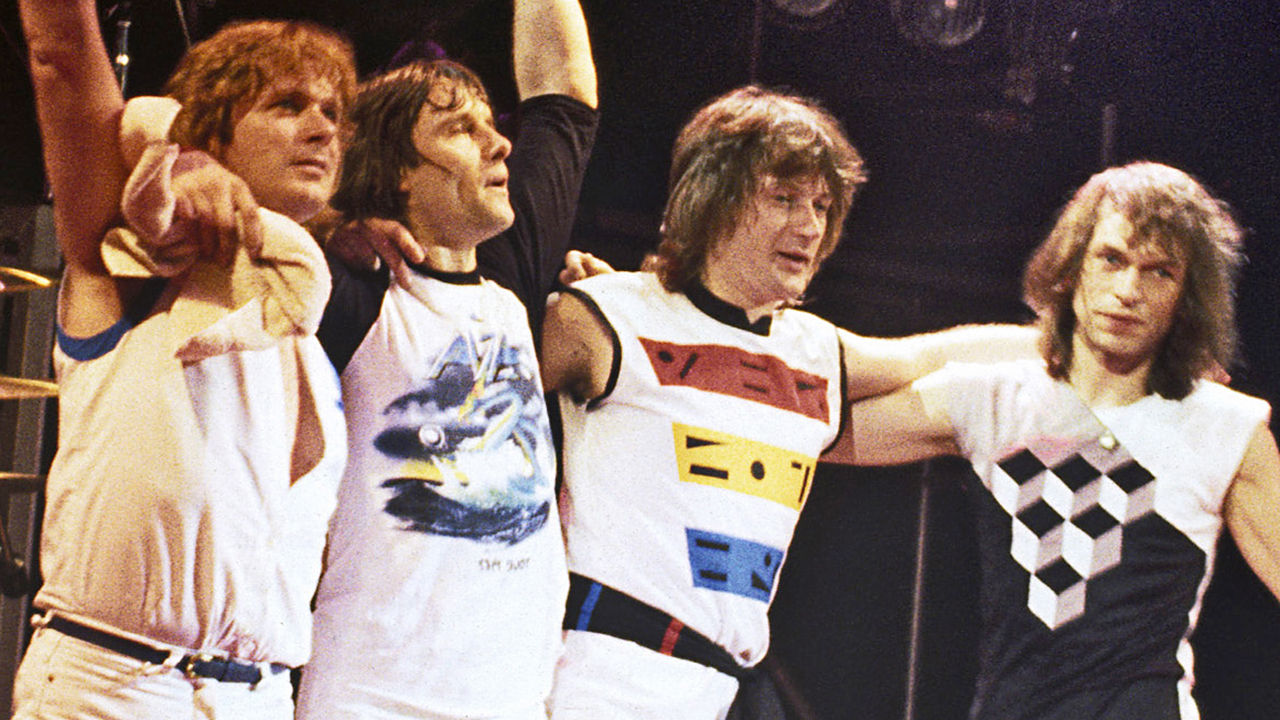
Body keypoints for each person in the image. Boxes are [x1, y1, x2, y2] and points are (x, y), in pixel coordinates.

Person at [539, 85, 1036, 720]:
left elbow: (930, 360)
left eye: (823, 205)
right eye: (783, 197)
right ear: (713, 199)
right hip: (606, 674)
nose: (809, 225)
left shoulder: (811, 352)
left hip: (726, 684)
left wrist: (1079, 348)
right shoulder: (608, 315)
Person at [830, 161, 1280, 719]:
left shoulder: (1226, 428)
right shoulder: (995, 396)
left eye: (1159, 272)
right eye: (1111, 259)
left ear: (1188, 294)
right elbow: (817, 427)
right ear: (1072, 268)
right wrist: (1022, 345)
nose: (1128, 290)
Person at [14, 3, 354, 718]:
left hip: (261, 695)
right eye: (287, 106)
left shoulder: (308, 317)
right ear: (214, 128)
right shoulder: (139, 259)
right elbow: (64, 56)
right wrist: (175, 140)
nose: (323, 128)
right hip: (120, 687)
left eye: (330, 110)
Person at [293, 0, 598, 718]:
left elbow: (565, 101)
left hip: (513, 701)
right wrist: (334, 222)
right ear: (398, 169)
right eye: (461, 129)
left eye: (492, 126)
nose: (500, 146)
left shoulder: (511, 278)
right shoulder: (354, 293)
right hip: (372, 698)